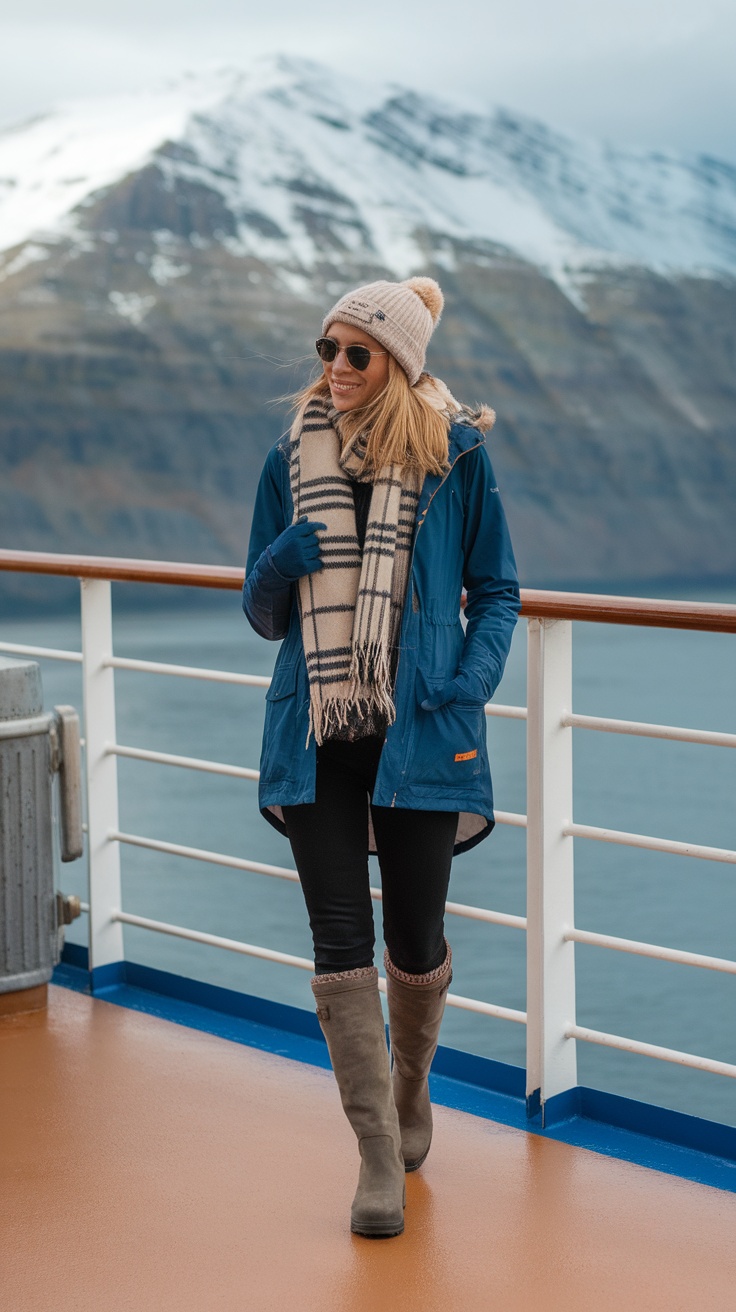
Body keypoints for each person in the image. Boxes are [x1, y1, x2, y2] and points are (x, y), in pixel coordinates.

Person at [243, 276, 520, 1238]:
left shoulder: (458, 456)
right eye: (326, 350)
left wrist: (469, 679)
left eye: (355, 354)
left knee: (414, 941)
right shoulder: (290, 456)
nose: (335, 370)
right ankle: (374, 1158)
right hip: (317, 730)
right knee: (338, 946)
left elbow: (499, 588)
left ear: (398, 363)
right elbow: (260, 610)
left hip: (422, 726)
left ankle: (410, 1095)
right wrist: (285, 558)